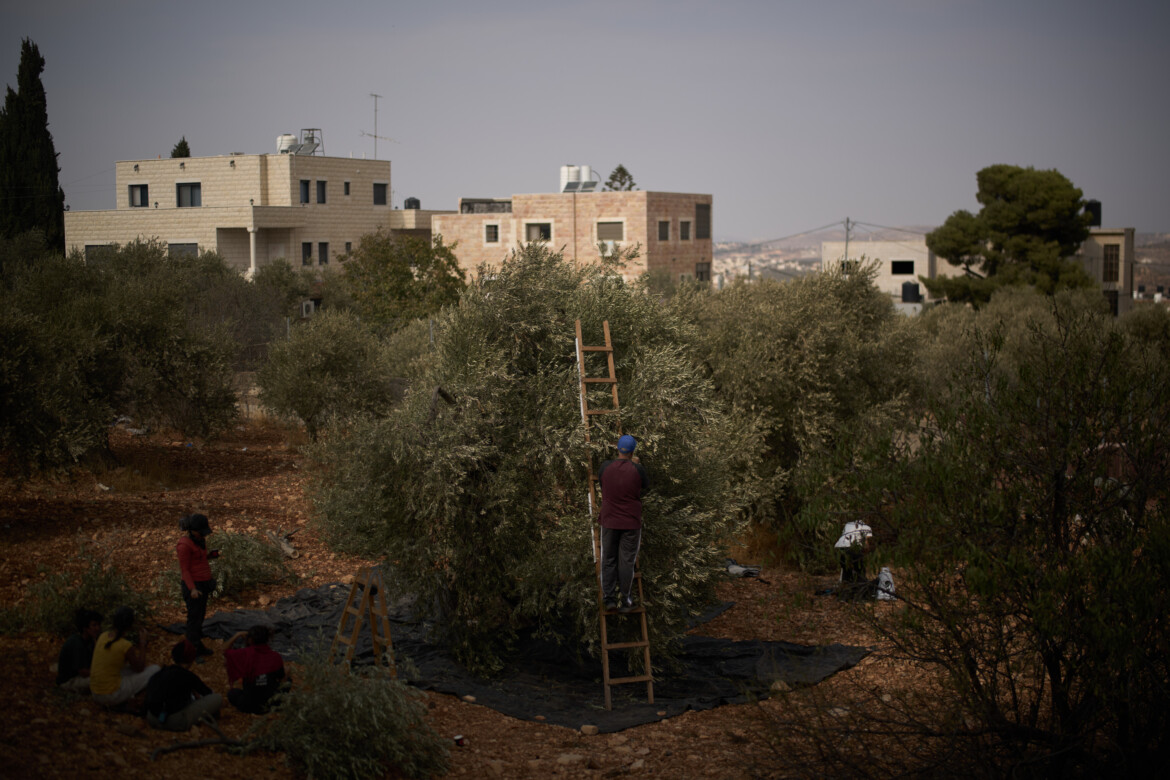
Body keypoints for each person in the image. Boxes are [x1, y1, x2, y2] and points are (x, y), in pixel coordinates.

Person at [597, 434, 649, 613]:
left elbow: (603, 486)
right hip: (631, 522)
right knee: (626, 561)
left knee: (608, 559)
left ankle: (609, 599)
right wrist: (635, 464)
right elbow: (644, 487)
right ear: (633, 451)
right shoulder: (638, 470)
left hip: (609, 520)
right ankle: (625, 600)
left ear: (617, 448)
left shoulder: (605, 467)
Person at [89, 606, 161, 708]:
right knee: (155, 669)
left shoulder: (103, 636)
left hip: (95, 692)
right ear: (129, 626)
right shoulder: (125, 645)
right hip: (111, 695)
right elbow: (139, 668)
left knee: (126, 669)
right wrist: (143, 643)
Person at [144, 639, 223, 731]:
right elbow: (208, 693)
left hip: (152, 717)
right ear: (191, 659)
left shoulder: (160, 673)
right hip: (174, 721)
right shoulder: (188, 676)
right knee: (217, 698)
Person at [177, 512, 219, 656]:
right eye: (201, 532)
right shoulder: (184, 545)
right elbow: (185, 570)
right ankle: (193, 649)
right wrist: (192, 589)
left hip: (204, 583)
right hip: (194, 586)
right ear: (193, 530)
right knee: (194, 619)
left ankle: (196, 641)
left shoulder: (199, 541)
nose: (204, 535)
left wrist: (210, 556)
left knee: (200, 616)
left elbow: (198, 559)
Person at [224, 625, 286, 714]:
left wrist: (237, 635)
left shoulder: (244, 654)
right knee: (287, 677)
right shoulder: (275, 657)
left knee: (232, 693)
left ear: (250, 640)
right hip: (272, 703)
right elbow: (281, 677)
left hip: (248, 705)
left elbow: (224, 649)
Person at [56, 608, 103, 693]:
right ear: (85, 628)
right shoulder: (77, 643)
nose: (97, 628)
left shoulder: (90, 641)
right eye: (94, 625)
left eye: (98, 625)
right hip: (69, 681)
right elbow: (82, 671)